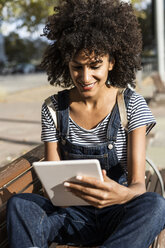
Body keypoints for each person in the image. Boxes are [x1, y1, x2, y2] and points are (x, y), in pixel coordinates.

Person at [7, 0, 165, 247]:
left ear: (112, 62)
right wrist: (64, 196)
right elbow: (52, 177)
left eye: (95, 65)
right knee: (20, 205)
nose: (85, 77)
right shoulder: (52, 108)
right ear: (66, 64)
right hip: (71, 215)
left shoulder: (131, 105)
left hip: (117, 211)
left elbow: (137, 185)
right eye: (77, 67)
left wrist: (120, 194)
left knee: (155, 206)